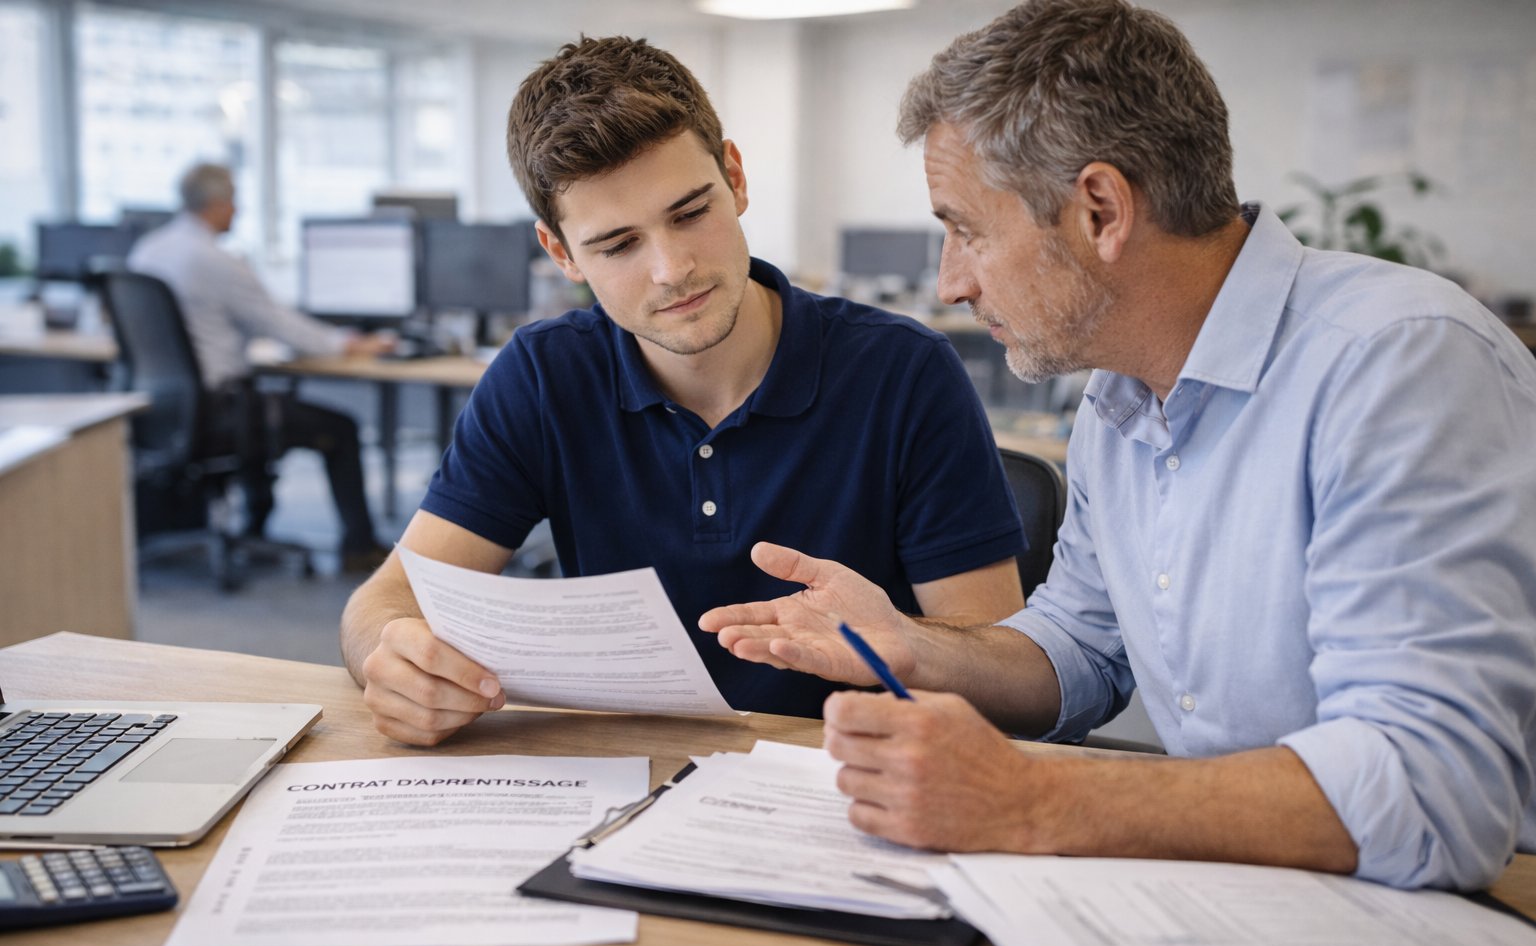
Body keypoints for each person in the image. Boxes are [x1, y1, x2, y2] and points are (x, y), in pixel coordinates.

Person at [701, 0, 1536, 892]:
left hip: (1440, 919)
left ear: (1101, 208)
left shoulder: (1396, 362)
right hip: (1239, 889)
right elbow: (1084, 649)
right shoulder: (1121, 395)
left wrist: (1031, 801)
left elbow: (1434, 789)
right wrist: (904, 645)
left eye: (968, 230)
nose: (949, 283)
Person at [339, 36, 1027, 745]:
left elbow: (1009, 679)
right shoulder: (543, 375)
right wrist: (389, 658)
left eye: (690, 212)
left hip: (845, 779)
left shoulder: (905, 374)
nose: (672, 270)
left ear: (734, 176)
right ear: (559, 252)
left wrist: (895, 642)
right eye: (618, 246)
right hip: (625, 779)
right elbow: (386, 599)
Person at [129, 163, 393, 572]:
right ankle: (358, 547)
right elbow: (279, 324)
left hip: (161, 412)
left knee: (260, 405)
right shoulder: (214, 260)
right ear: (217, 204)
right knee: (340, 428)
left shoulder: (147, 251)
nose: (237, 210)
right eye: (234, 201)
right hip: (219, 411)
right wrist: (349, 344)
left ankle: (255, 525)